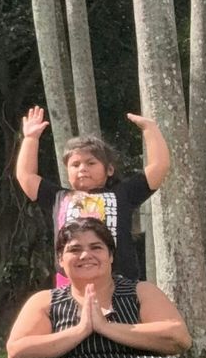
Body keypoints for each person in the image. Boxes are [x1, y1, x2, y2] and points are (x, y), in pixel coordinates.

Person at [0, 217, 200, 358]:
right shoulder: (45, 301)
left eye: (96, 247)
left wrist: (105, 327)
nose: (86, 255)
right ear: (61, 259)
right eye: (75, 249)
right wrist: (80, 330)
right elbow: (17, 353)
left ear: (110, 256)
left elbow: (179, 338)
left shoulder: (140, 291)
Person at [15, 107, 169, 282]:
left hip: (119, 284)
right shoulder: (58, 197)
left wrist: (150, 129)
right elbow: (26, 176)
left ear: (109, 169)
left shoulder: (123, 194)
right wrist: (30, 138)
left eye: (91, 163)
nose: (82, 169)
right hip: (70, 286)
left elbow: (159, 166)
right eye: (75, 165)